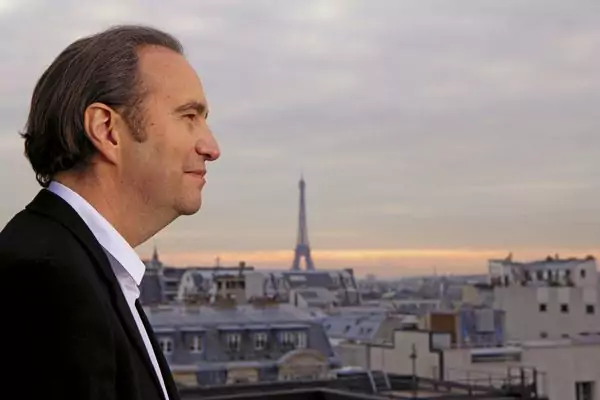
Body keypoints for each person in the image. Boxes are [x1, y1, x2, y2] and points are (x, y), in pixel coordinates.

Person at [0, 25, 220, 400]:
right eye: (188, 116)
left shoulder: (73, 267)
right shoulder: (45, 282)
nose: (211, 147)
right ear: (106, 130)